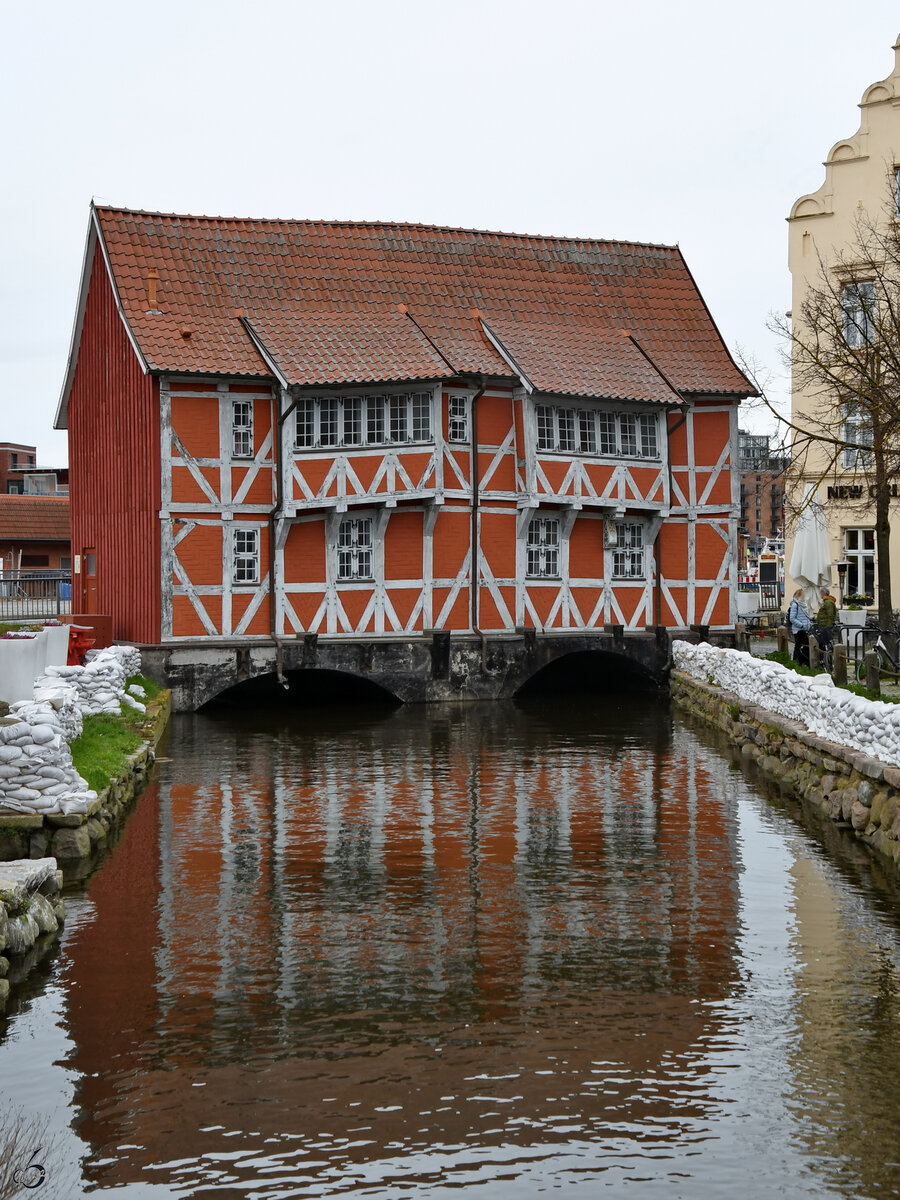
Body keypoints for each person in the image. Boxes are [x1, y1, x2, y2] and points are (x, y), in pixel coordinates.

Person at [788, 588, 813, 666]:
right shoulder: (795, 605)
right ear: (799, 595)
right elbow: (792, 618)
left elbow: (806, 617)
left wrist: (809, 624)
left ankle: (802, 661)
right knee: (799, 646)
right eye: (803, 595)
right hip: (798, 630)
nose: (805, 596)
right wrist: (801, 625)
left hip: (805, 628)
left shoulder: (804, 605)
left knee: (804, 646)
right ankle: (797, 662)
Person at [816, 588, 837, 653]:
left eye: (820, 594)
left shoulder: (828, 602)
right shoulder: (826, 601)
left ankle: (828, 654)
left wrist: (828, 626)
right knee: (824, 641)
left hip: (825, 625)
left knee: (826, 641)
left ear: (822, 594)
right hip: (823, 624)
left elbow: (830, 614)